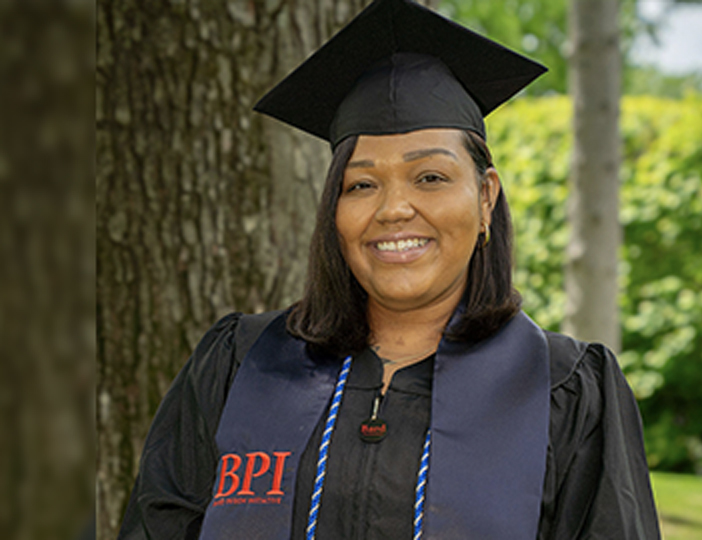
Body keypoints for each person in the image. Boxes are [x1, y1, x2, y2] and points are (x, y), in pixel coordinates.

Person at [118, 0, 660, 538]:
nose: (393, 209)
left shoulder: (562, 391)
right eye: (361, 184)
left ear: (486, 198)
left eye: (430, 177)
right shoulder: (242, 365)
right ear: (335, 210)